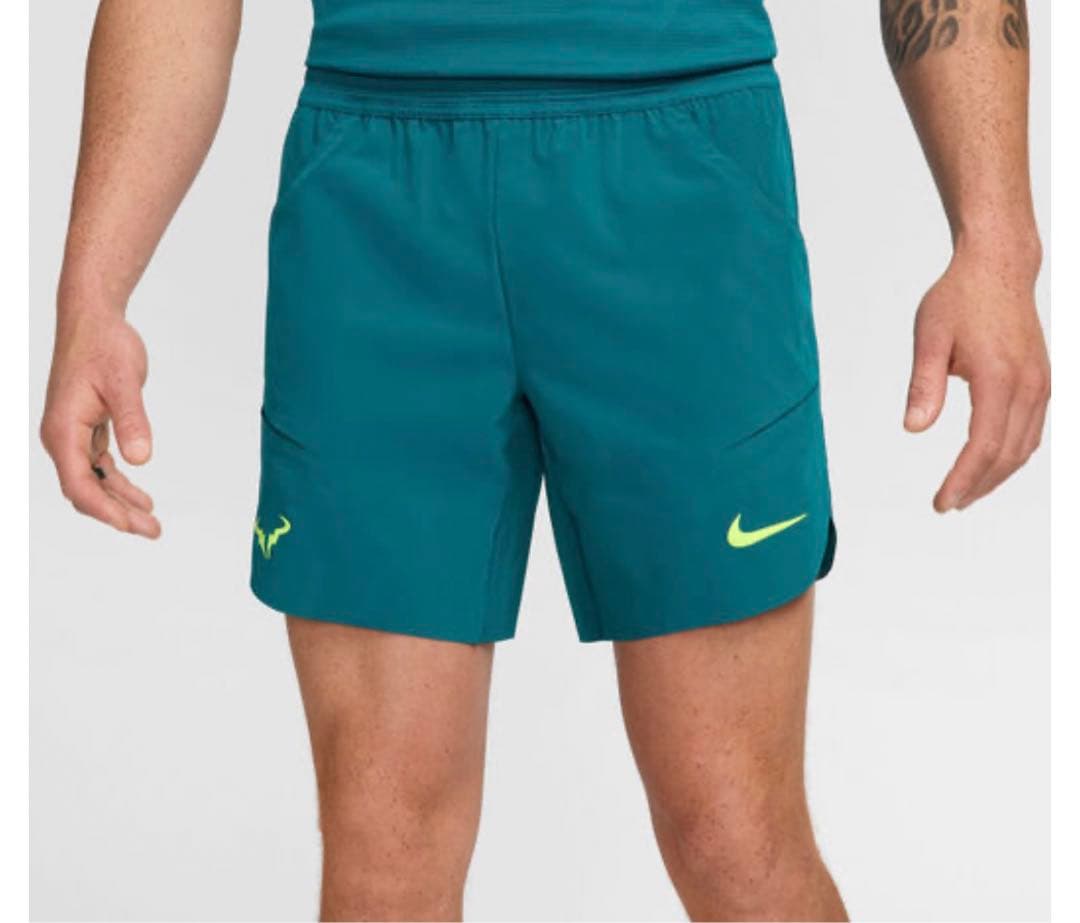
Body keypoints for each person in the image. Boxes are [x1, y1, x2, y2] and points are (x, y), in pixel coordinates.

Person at [40, 0, 1049, 919]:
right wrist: (94, 289)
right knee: (385, 860)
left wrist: (998, 241)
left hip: (680, 183)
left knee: (734, 837)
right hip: (375, 197)